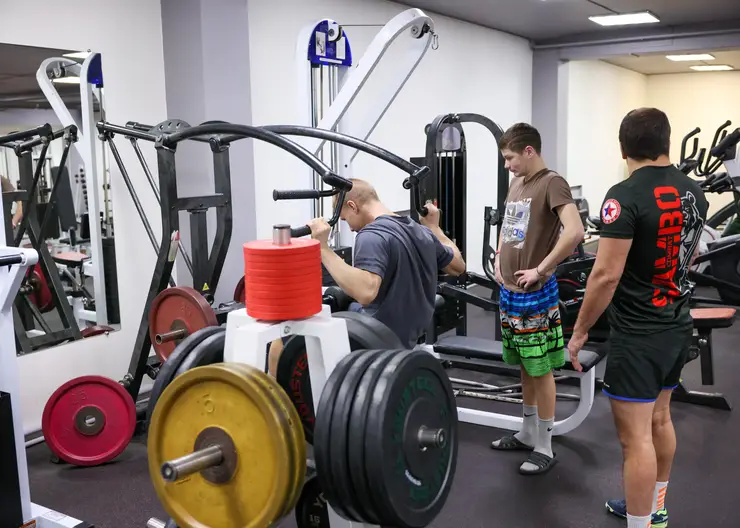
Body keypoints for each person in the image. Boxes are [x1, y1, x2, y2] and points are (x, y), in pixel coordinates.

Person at [567, 108, 708, 528]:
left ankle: (641, 522)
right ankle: (653, 506)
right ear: (667, 141)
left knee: (635, 439)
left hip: (639, 335)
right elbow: (689, 253)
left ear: (623, 146)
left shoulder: (623, 195)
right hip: (677, 325)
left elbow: (606, 276)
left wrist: (580, 331)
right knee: (660, 418)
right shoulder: (694, 193)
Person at [267, 178, 466, 375]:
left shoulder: (371, 235)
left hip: (373, 340)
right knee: (336, 297)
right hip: (406, 338)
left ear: (353, 206)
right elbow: (458, 266)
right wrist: (434, 227)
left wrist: (323, 248)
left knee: (280, 343)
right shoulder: (421, 231)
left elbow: (366, 292)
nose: (351, 228)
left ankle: (280, 407)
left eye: (345, 220)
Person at [489, 123, 585, 475]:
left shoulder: (551, 182)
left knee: (540, 368)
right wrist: (500, 257)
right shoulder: (517, 184)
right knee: (523, 365)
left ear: (529, 151)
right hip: (511, 292)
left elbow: (575, 232)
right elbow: (509, 227)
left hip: (535, 293)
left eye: (510, 158)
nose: (507, 165)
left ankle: (544, 444)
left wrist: (542, 268)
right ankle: (527, 432)